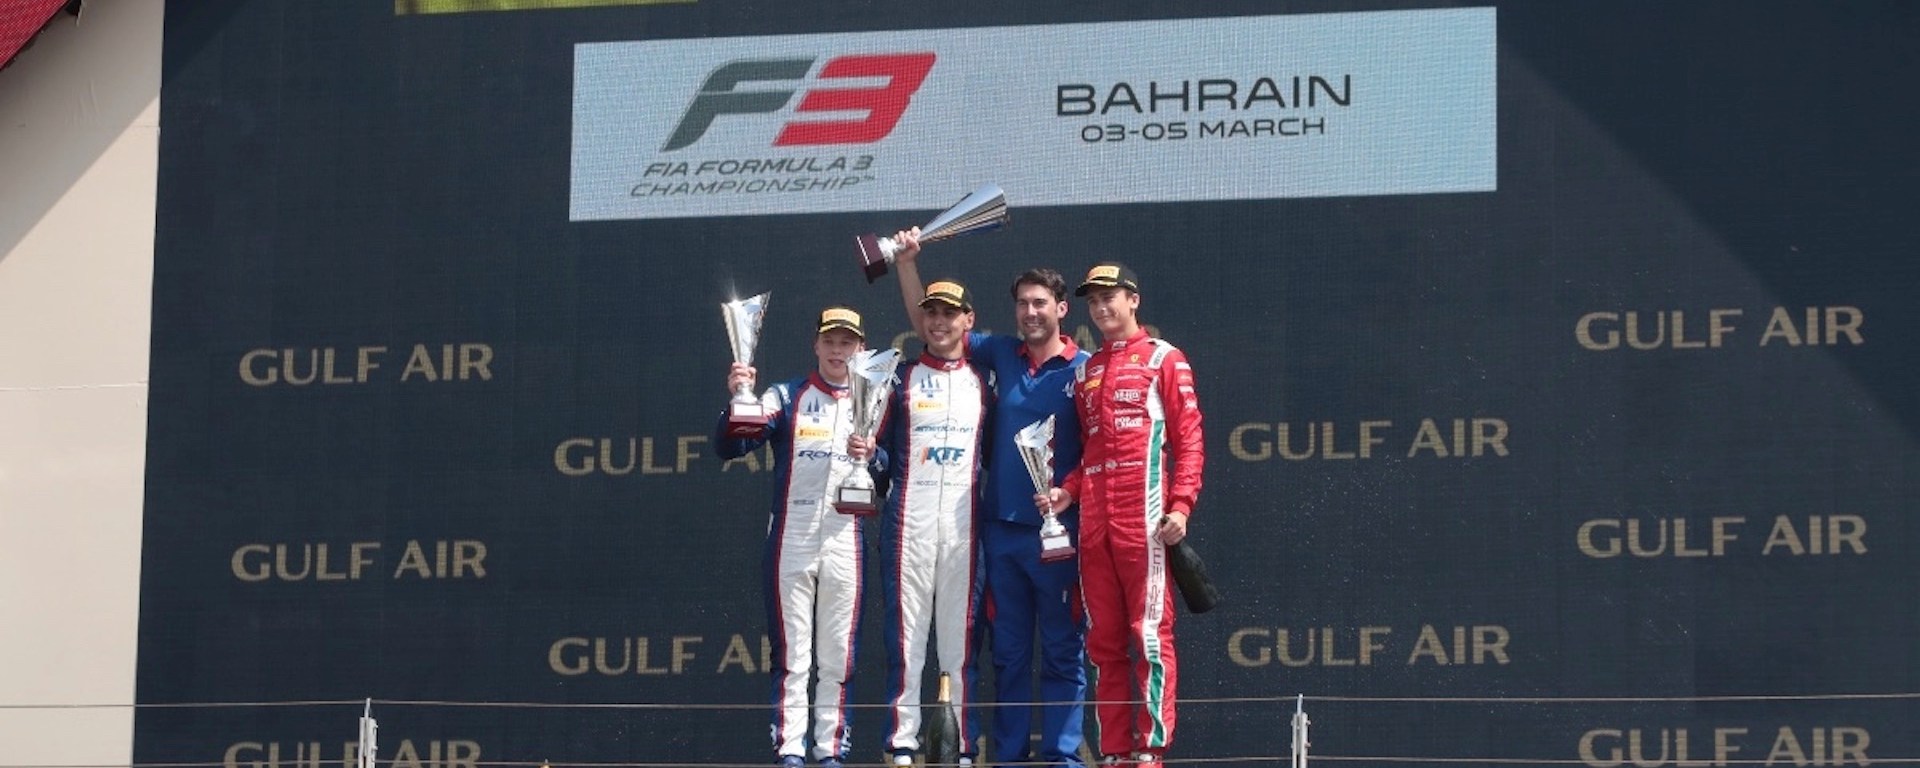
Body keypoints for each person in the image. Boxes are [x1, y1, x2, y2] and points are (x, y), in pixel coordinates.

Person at [891, 228, 1090, 768]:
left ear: (1061, 308)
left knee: (1061, 651)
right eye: (1022, 303)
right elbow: (930, 327)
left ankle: (1062, 757)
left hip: (1059, 536)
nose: (1030, 312)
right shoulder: (1001, 352)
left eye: (1039, 302)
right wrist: (908, 264)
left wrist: (1069, 491)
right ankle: (1006, 758)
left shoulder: (1085, 370)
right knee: (1008, 655)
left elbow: (1098, 451)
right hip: (1000, 532)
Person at [1042, 264, 1204, 768]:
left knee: (1149, 636)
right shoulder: (1088, 370)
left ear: (1133, 299)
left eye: (1110, 297)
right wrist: (1068, 491)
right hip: (1095, 523)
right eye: (1093, 301)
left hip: (1146, 520)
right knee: (1104, 643)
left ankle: (1150, 751)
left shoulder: (1164, 358)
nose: (1101, 308)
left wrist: (1181, 506)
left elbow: (1190, 441)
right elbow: (1092, 448)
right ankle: (1114, 752)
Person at [715, 307, 883, 768]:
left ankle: (830, 751)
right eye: (830, 341)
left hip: (845, 541)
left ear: (860, 349)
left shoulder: (876, 399)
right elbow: (732, 446)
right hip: (792, 540)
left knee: (838, 657)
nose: (837, 350)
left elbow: (888, 475)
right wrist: (738, 400)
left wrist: (875, 453)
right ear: (815, 344)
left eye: (846, 343)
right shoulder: (786, 395)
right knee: (793, 656)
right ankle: (789, 750)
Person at [873, 274, 993, 767]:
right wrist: (871, 463)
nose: (940, 322)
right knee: (906, 640)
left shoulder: (986, 381)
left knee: (960, 641)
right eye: (932, 313)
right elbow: (873, 448)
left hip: (965, 526)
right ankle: (903, 743)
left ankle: (960, 745)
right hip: (909, 523)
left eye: (950, 313)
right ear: (921, 320)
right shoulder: (896, 378)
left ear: (969, 319)